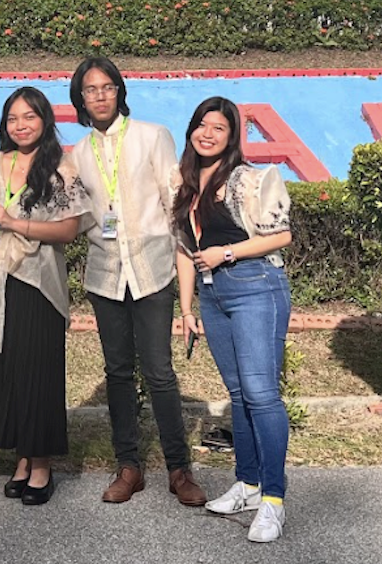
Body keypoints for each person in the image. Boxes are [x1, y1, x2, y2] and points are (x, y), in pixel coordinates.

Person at [68, 57, 206, 506]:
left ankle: (178, 469)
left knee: (160, 373)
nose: (101, 95)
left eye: (108, 87)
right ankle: (128, 466)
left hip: (152, 270)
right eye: (91, 89)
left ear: (120, 91)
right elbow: (66, 208)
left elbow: (176, 202)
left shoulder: (152, 136)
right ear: (81, 98)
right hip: (105, 274)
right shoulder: (79, 153)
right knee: (117, 373)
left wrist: (189, 276)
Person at [0, 86, 93, 505]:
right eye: (13, 118)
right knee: (5, 369)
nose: (21, 125)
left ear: (44, 121)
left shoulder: (61, 168)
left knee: (37, 371)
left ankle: (41, 465)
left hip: (38, 281)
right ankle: (21, 456)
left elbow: (69, 230)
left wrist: (15, 223)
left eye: (29, 117)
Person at [173, 96, 292, 542]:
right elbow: (185, 251)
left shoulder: (247, 180)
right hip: (212, 294)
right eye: (201, 125)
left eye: (218, 128)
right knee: (239, 394)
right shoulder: (184, 183)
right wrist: (185, 309)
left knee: (262, 396)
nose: (207, 133)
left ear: (232, 136)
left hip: (256, 286)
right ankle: (247, 483)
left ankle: (274, 500)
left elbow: (282, 235)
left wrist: (226, 252)